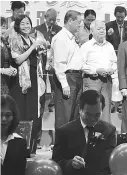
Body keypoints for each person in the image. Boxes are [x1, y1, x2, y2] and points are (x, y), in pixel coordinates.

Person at [52, 90, 116, 175]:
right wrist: (71, 164)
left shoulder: (109, 131)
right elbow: (56, 163)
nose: (92, 119)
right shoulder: (64, 132)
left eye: (97, 115)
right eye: (88, 114)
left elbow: (110, 163)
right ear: (80, 109)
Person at [8, 14, 47, 153]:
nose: (26, 26)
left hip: (34, 79)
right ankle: (18, 148)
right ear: (17, 26)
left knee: (32, 113)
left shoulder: (31, 39)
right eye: (23, 23)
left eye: (28, 23)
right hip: (21, 81)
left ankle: (31, 148)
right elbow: (18, 60)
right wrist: (33, 47)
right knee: (22, 112)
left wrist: (40, 51)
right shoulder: (15, 39)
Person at [80, 20, 117, 123]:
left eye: (103, 29)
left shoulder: (109, 45)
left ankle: (104, 136)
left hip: (107, 81)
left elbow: (114, 62)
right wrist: (95, 70)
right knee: (91, 109)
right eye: (99, 29)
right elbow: (81, 64)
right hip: (92, 80)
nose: (102, 31)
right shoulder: (86, 46)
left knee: (106, 109)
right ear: (92, 31)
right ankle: (90, 136)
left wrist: (112, 69)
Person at [52, 10, 83, 129]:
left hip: (77, 77)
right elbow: (59, 63)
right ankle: (61, 145)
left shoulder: (72, 38)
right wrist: (64, 84)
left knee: (74, 116)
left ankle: (71, 145)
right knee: (64, 115)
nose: (80, 25)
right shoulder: (61, 38)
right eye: (78, 22)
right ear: (70, 21)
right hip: (67, 78)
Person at [33, 8, 62, 113]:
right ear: (45, 17)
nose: (52, 22)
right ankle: (41, 107)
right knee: (41, 84)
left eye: (54, 20)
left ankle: (54, 106)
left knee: (55, 84)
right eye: (50, 19)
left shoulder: (60, 29)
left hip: (55, 63)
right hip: (41, 62)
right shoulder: (37, 29)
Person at [1, 95, 30, 175]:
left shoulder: (20, 143)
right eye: (0, 115)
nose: (3, 119)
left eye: (8, 115)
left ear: (14, 117)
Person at [1, 17, 17, 95]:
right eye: (1, 27)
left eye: (4, 27)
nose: (3, 30)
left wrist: (11, 69)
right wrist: (4, 71)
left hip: (5, 81)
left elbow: (7, 61)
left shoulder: (4, 43)